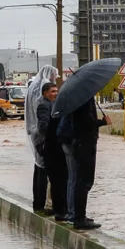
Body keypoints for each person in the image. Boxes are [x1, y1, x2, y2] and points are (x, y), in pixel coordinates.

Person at [58, 93, 108, 230]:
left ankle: (79, 215)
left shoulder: (82, 98)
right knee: (83, 181)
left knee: (81, 180)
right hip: (84, 143)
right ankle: (79, 218)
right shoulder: (83, 100)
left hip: (82, 143)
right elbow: (86, 122)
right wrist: (103, 122)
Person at [25, 65, 59, 214]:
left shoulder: (33, 86)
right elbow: (44, 118)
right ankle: (44, 203)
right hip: (42, 136)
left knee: (39, 167)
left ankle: (37, 202)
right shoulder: (42, 90)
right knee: (45, 170)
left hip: (33, 132)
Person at [37, 83, 69, 220]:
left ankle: (61, 209)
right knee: (57, 181)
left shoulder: (54, 105)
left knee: (61, 181)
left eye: (57, 91)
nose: (56, 93)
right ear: (45, 93)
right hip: (52, 148)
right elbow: (44, 127)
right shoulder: (44, 106)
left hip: (57, 148)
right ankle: (59, 211)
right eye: (53, 91)